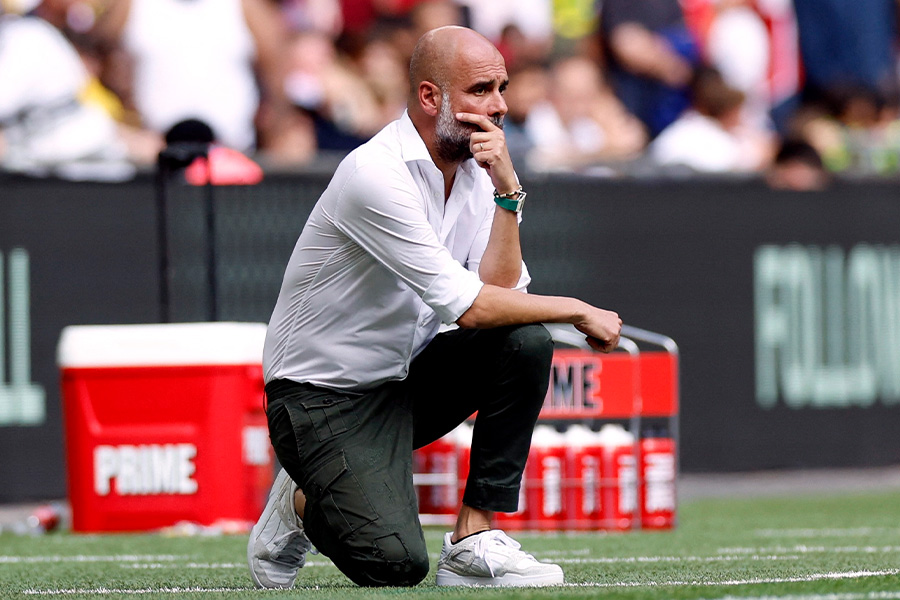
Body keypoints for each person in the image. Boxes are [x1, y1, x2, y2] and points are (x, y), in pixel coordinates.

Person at [247, 25, 622, 589]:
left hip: (402, 382)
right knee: (395, 564)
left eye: (502, 88)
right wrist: (576, 308)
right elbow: (467, 307)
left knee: (523, 342)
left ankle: (473, 536)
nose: (499, 106)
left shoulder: (477, 173)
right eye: (481, 90)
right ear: (430, 97)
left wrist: (508, 193)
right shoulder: (375, 173)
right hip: (320, 399)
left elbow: (503, 295)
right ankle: (298, 501)